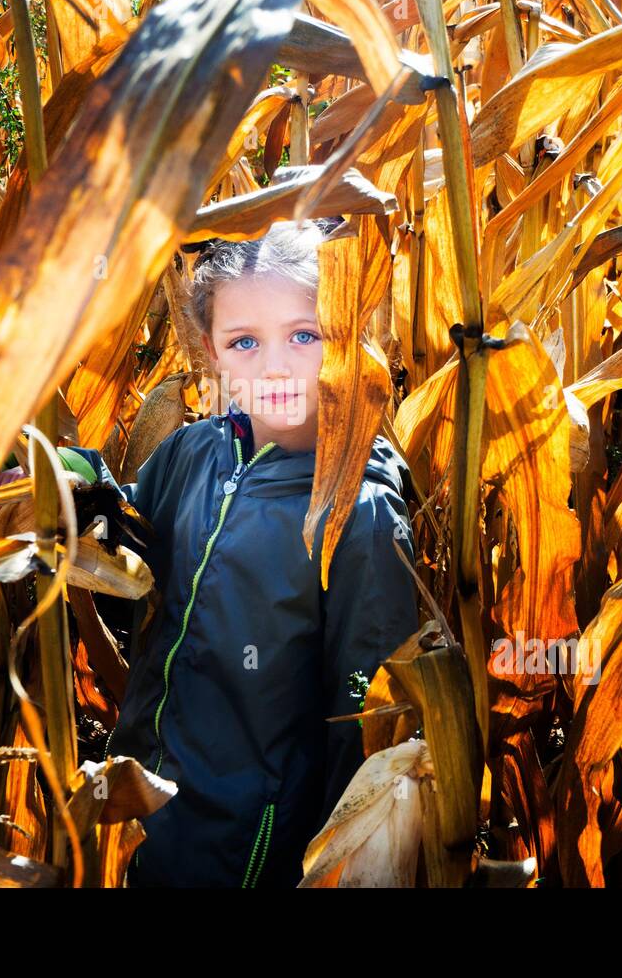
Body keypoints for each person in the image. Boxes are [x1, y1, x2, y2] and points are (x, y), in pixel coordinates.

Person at [59, 219, 420, 887]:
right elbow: (132, 526)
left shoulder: (359, 515)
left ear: (348, 337)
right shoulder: (196, 452)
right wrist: (68, 478)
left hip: (252, 855)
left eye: (303, 335)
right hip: (141, 819)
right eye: (244, 341)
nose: (275, 365)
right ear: (210, 350)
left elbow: (367, 733)